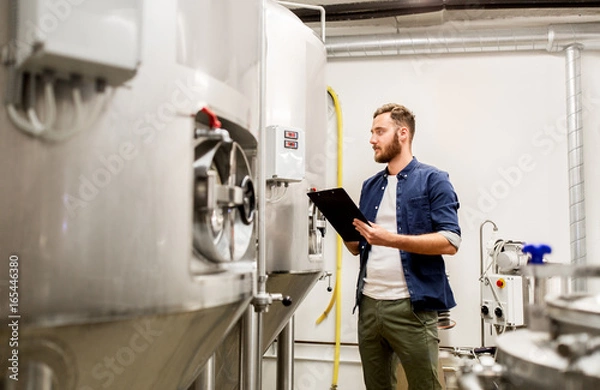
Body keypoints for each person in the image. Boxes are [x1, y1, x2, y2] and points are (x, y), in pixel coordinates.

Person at [344, 103, 461, 390]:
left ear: (403, 133)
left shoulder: (434, 179)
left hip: (412, 308)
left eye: (380, 131)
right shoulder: (370, 185)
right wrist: (340, 223)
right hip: (369, 305)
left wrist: (391, 239)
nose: (372, 139)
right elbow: (357, 247)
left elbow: (450, 241)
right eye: (372, 132)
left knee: (426, 386)